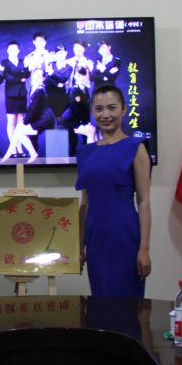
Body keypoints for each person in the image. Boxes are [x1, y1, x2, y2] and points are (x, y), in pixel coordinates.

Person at [75, 84, 151, 298]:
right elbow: (84, 203)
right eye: (99, 109)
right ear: (92, 111)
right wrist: (79, 246)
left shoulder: (136, 147)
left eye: (111, 108)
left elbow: (144, 201)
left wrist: (144, 249)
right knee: (101, 300)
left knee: (126, 303)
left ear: (123, 109)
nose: (105, 115)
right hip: (96, 237)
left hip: (124, 234)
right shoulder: (85, 153)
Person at [1, 68, 55, 161]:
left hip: (45, 120)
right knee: (18, 131)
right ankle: (10, 155)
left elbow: (34, 109)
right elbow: (31, 108)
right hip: (39, 117)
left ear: (43, 78)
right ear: (32, 76)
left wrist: (25, 122)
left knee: (19, 131)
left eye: (40, 76)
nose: (37, 78)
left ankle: (8, 156)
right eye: (35, 75)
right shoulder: (33, 87)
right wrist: (24, 121)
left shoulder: (40, 90)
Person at [1, 41, 30, 158]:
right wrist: (20, 79)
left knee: (21, 121)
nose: (13, 51)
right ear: (8, 50)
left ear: (18, 50)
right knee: (11, 121)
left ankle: (20, 147)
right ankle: (13, 148)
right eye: (11, 49)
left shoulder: (23, 61)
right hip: (10, 94)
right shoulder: (4, 62)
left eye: (15, 49)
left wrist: (26, 67)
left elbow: (27, 75)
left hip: (22, 93)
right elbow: (7, 77)